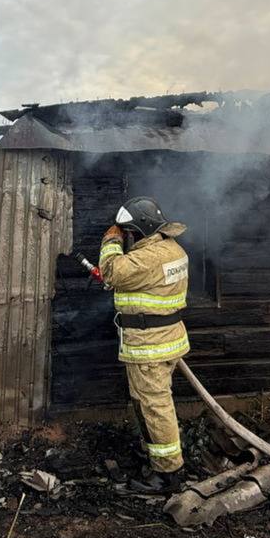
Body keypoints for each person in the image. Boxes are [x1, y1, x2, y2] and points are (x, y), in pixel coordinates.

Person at [99, 196, 190, 493]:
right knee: (149, 403)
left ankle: (168, 474)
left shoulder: (147, 258)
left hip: (150, 345)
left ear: (139, 231)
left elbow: (112, 271)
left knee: (155, 406)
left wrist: (111, 240)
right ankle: (155, 454)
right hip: (163, 340)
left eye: (128, 233)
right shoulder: (172, 249)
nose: (126, 237)